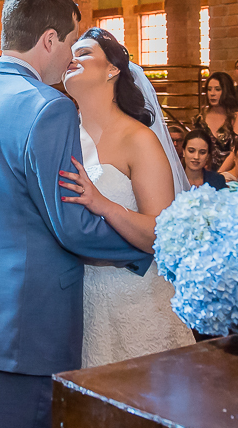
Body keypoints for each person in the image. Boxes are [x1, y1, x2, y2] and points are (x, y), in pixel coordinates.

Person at [0, 0, 151, 428]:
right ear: (50, 39)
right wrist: (151, 245)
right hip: (25, 328)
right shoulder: (46, 108)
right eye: (71, 42)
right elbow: (73, 225)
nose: (71, 58)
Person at [59, 28, 194, 369]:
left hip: (135, 297)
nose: (72, 59)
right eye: (70, 53)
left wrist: (104, 205)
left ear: (112, 69)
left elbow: (160, 233)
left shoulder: (139, 139)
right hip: (80, 299)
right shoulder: (62, 137)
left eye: (84, 53)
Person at [192, 72, 238, 172]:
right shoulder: (200, 118)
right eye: (209, 89)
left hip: (231, 173)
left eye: (217, 89)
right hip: (203, 172)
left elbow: (236, 151)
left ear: (227, 91)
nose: (212, 93)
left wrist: (218, 176)